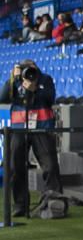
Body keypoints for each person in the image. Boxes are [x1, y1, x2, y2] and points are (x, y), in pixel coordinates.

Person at [0, 61, 62, 217]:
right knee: (15, 167)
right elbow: (2, 97)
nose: (29, 73)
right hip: (19, 128)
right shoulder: (16, 81)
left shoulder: (45, 80)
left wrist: (34, 89)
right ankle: (20, 205)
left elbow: (50, 98)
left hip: (42, 127)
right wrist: (11, 80)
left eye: (31, 69)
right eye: (26, 70)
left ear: (36, 68)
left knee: (50, 166)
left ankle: (55, 202)